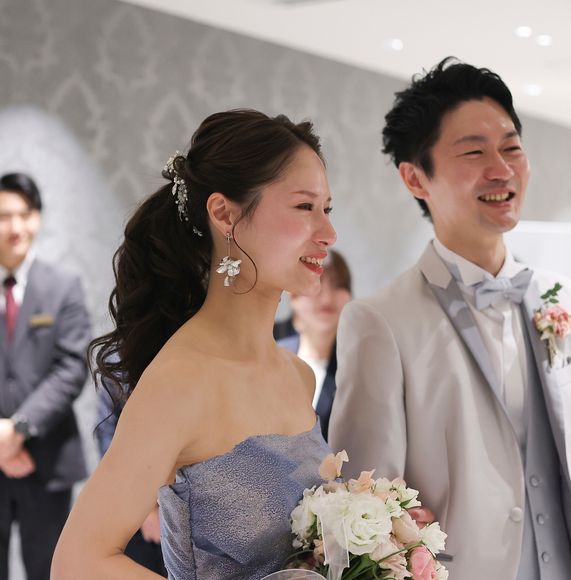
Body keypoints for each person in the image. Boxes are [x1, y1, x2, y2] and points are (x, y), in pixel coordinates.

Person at [51, 109, 336, 580]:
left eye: (328, 209)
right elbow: (77, 562)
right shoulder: (180, 381)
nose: (328, 234)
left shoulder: (298, 375)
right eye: (305, 207)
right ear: (224, 214)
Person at [329, 58, 571, 580]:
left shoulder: (567, 299)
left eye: (511, 147)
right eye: (474, 152)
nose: (502, 169)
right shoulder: (380, 321)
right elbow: (363, 509)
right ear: (415, 177)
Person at [0, 173, 91, 580]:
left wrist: (17, 429)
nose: (15, 227)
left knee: (49, 571)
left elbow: (71, 368)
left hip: (48, 459)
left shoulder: (63, 287)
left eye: (24, 214)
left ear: (37, 217)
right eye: (4, 216)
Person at [95, 369, 167, 576]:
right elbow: (109, 444)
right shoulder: (116, 368)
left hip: (183, 505)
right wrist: (146, 508)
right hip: (131, 507)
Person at [277, 249, 352, 440]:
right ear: (293, 296)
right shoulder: (272, 352)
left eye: (338, 285)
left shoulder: (358, 366)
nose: (327, 298)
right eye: (317, 285)